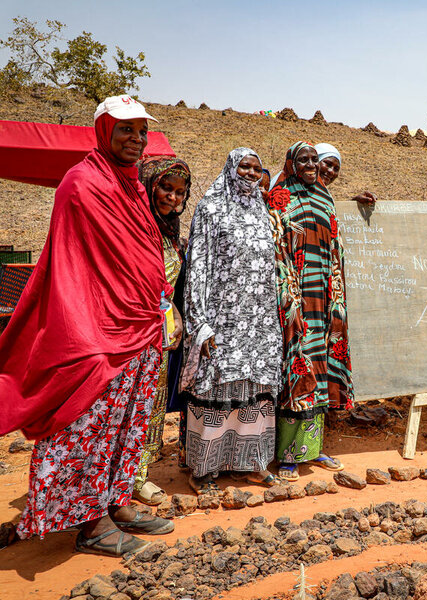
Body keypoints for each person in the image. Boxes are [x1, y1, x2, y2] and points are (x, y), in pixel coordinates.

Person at [0, 95, 177, 556]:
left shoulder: (135, 186)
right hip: (98, 326)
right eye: (125, 130)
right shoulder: (81, 182)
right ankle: (91, 524)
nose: (136, 139)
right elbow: (75, 262)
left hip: (139, 324)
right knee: (88, 424)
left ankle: (115, 501)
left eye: (141, 131)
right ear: (104, 131)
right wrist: (95, 323)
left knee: (127, 424)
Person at [180, 148, 282, 493]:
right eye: (245, 166)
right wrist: (200, 323)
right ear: (231, 167)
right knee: (218, 388)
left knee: (254, 389)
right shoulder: (210, 208)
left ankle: (250, 464)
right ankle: (204, 468)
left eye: (257, 168)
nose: (252, 173)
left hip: (258, 320)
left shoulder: (260, 208)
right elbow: (197, 265)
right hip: (221, 318)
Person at [268, 141, 354, 481]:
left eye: (314, 160)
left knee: (320, 369)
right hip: (295, 296)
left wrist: (337, 299)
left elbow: (335, 245)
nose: (310, 165)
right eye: (303, 159)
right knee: (297, 368)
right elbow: (277, 247)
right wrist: (289, 297)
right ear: (290, 162)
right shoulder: (280, 196)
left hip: (325, 297)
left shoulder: (324, 196)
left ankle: (313, 450)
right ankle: (288, 455)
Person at [132, 156, 192, 506]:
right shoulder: (135, 227)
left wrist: (177, 314)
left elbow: (170, 287)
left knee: (153, 404)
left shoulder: (171, 233)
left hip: (161, 336)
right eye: (166, 188)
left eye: (180, 192)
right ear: (150, 186)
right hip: (133, 332)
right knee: (133, 405)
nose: (172, 197)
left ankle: (138, 476)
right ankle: (123, 480)